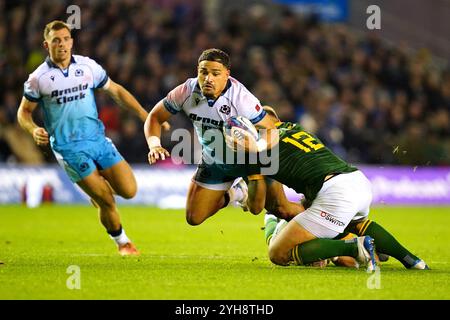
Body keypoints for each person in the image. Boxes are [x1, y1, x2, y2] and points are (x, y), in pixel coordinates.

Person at [240, 106, 429, 270]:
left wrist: (246, 197)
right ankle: (412, 260)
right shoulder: (295, 129)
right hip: (358, 180)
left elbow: (265, 207)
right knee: (356, 223)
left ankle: (355, 248)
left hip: (335, 193)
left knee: (277, 252)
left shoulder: (260, 150)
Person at [17, 20, 148, 256]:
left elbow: (116, 90)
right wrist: (33, 129)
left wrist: (144, 115)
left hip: (97, 140)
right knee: (107, 200)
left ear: (71, 41)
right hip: (69, 149)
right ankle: (123, 242)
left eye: (66, 39)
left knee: (129, 191)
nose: (62, 44)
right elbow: (23, 112)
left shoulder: (87, 67)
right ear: (46, 45)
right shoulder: (38, 79)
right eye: (56, 40)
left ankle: (96, 191)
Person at [144, 48, 302, 226]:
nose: (208, 78)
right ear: (197, 71)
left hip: (249, 160)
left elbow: (271, 129)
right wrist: (154, 144)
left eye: (215, 73)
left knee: (278, 209)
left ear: (227, 74)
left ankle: (332, 230)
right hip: (215, 160)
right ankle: (237, 193)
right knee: (193, 217)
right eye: (203, 72)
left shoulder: (242, 100)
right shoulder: (185, 92)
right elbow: (155, 117)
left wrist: (257, 150)